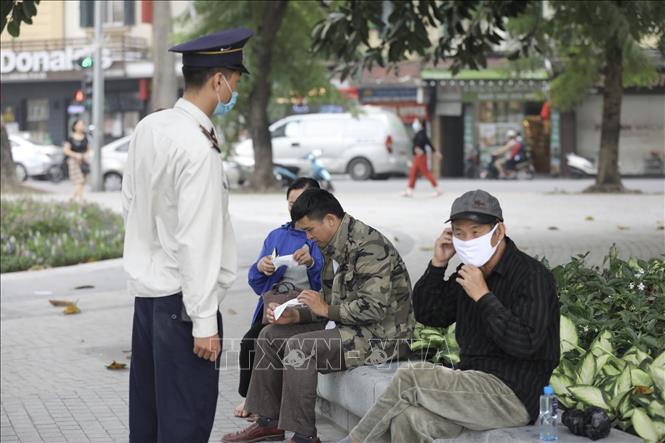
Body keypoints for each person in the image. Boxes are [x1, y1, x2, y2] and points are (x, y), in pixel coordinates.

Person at [342, 189, 560, 442]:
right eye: (459, 233)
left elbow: (526, 344)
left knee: (410, 377)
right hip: (470, 385)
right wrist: (438, 264)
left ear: (498, 232)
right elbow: (428, 314)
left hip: (512, 396)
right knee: (408, 419)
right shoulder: (468, 270)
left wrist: (484, 297)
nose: (467, 240)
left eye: (475, 233)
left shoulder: (532, 277)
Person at [121, 27, 252, 442]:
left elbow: (131, 203)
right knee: (186, 423)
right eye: (235, 82)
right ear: (219, 81)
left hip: (150, 303)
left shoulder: (151, 127)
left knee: (149, 420)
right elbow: (196, 240)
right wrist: (203, 322)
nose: (234, 92)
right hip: (184, 306)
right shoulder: (199, 150)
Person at [223, 189, 415, 443]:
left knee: (300, 347)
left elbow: (373, 308)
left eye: (310, 230)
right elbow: (327, 302)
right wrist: (295, 316)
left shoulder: (369, 247)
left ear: (331, 220)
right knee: (269, 334)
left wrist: (325, 310)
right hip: (349, 329)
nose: (308, 237)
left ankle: (304, 437)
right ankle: (268, 422)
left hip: (383, 339)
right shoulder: (330, 246)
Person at [234, 177, 324, 419]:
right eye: (291, 202)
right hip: (275, 307)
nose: (295, 208)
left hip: (308, 308)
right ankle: (249, 399)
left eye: (301, 201)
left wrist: (312, 262)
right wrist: (261, 267)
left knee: (270, 340)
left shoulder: (320, 237)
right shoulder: (276, 236)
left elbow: (328, 284)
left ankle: (266, 407)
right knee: (249, 342)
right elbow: (257, 284)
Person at [402, 119, 442, 198]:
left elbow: (425, 143)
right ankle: (409, 190)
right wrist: (435, 152)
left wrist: (435, 152)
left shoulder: (421, 133)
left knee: (426, 172)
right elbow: (428, 143)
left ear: (420, 124)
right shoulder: (419, 133)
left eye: (416, 122)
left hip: (421, 157)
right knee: (413, 172)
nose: (414, 124)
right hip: (417, 156)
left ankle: (437, 189)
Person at [63, 118, 92, 202]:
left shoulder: (86, 137)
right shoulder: (70, 138)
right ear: (74, 126)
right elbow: (66, 150)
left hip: (84, 161)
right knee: (79, 180)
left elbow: (89, 149)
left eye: (82, 124)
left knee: (83, 181)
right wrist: (76, 155)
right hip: (74, 161)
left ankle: (72, 198)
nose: (81, 126)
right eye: (79, 124)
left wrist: (86, 155)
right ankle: (81, 199)